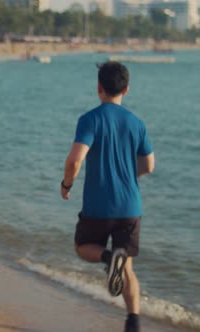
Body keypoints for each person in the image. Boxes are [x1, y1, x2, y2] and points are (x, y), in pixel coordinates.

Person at [61, 61, 154, 332]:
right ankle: (133, 322)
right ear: (126, 89)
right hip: (130, 207)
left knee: (83, 246)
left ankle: (106, 257)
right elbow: (149, 166)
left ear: (99, 88)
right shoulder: (137, 123)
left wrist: (66, 184)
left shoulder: (90, 119)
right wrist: (127, 174)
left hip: (98, 206)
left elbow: (75, 160)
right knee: (127, 268)